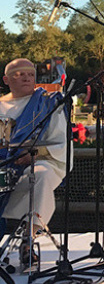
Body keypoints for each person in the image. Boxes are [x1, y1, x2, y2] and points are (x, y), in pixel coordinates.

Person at [0, 58, 69, 266]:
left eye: (31, 74)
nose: (27, 78)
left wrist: (34, 154)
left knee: (41, 175)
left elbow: (61, 140)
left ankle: (28, 240)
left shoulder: (48, 103)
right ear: (6, 79)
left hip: (40, 160)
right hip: (5, 166)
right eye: (20, 74)